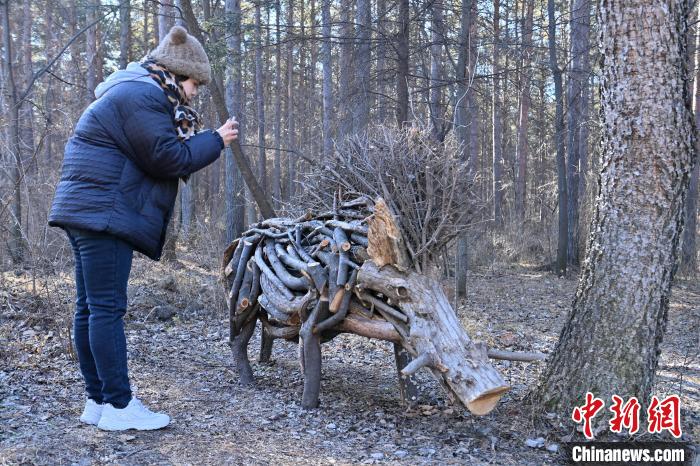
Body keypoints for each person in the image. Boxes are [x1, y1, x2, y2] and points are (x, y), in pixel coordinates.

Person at [47, 26, 238, 431]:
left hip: (89, 211)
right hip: (103, 214)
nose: (195, 91)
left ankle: (97, 401)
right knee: (105, 309)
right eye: (194, 82)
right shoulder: (144, 95)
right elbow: (167, 158)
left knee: (90, 307)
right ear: (175, 72)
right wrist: (216, 141)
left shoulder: (132, 87)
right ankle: (119, 405)